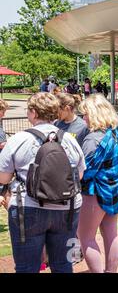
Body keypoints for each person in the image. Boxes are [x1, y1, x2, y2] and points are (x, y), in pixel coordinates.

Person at [0, 92, 86, 273]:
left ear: (33, 112)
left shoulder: (18, 139)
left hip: (28, 207)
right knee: (63, 265)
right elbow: (79, 175)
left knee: (26, 267)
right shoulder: (69, 139)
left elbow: (3, 178)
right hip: (66, 209)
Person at [77, 94, 118, 273]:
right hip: (113, 188)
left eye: (86, 114)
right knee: (111, 235)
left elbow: (84, 171)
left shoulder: (93, 138)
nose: (84, 118)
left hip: (94, 192)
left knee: (86, 238)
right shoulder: (114, 132)